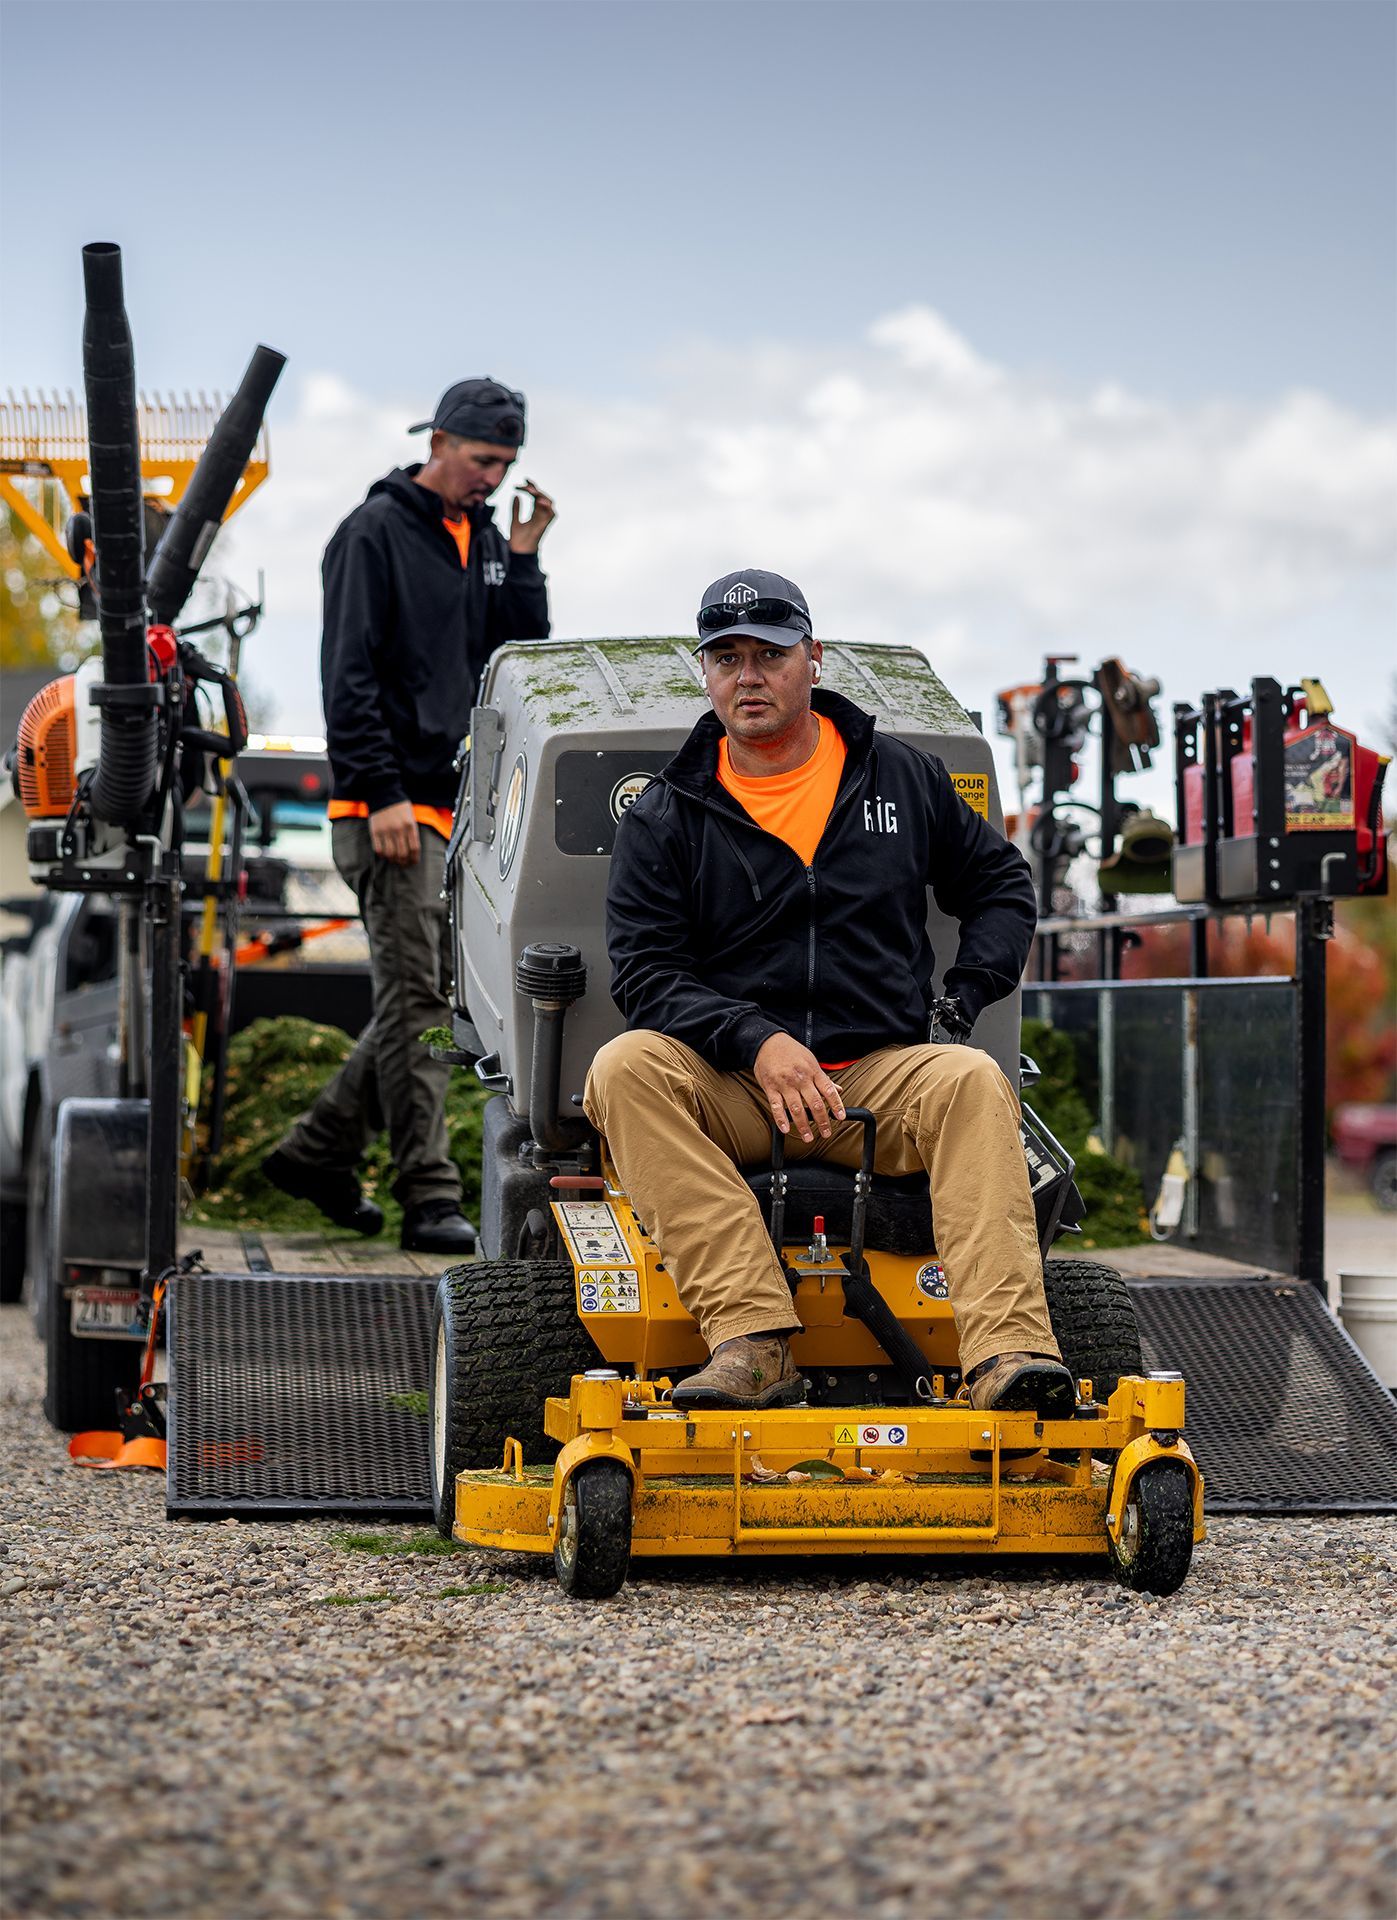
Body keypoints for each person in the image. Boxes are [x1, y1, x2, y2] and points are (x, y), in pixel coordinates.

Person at [584, 568, 1075, 1414]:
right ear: (703, 673)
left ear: (811, 658)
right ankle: (751, 1342)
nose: (748, 676)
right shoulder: (664, 813)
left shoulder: (905, 780)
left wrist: (958, 1003)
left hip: (874, 1081)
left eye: (769, 655)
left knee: (970, 1081)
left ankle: (1005, 1353)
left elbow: (1001, 885)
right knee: (623, 1067)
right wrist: (753, 1040)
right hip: (735, 1087)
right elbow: (644, 973)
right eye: (726, 657)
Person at [265, 379, 556, 1254]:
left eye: (505, 464)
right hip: (388, 805)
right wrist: (382, 792)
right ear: (438, 441)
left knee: (429, 1001)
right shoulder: (371, 534)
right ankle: (427, 1194)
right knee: (424, 1001)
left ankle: (317, 1151)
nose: (491, 477)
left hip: (456, 809)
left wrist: (525, 554)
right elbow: (346, 677)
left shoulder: (482, 540)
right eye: (480, 460)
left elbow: (519, 660)